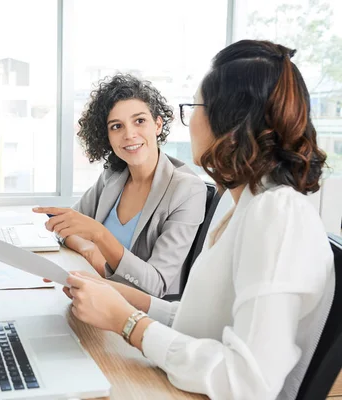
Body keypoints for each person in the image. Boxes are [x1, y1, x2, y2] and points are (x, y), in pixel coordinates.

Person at [51, 40, 334, 400]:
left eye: (195, 106)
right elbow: (200, 323)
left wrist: (127, 323)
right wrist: (118, 297)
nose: (190, 120)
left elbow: (248, 383)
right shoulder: (241, 205)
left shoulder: (279, 215)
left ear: (228, 119)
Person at [34, 74, 206, 298]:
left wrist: (99, 236)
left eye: (140, 121)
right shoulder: (113, 176)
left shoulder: (187, 190)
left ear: (158, 124)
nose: (129, 134)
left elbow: (156, 285)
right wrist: (89, 250)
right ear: (107, 136)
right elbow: (65, 226)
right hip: (89, 297)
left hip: (137, 318)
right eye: (117, 126)